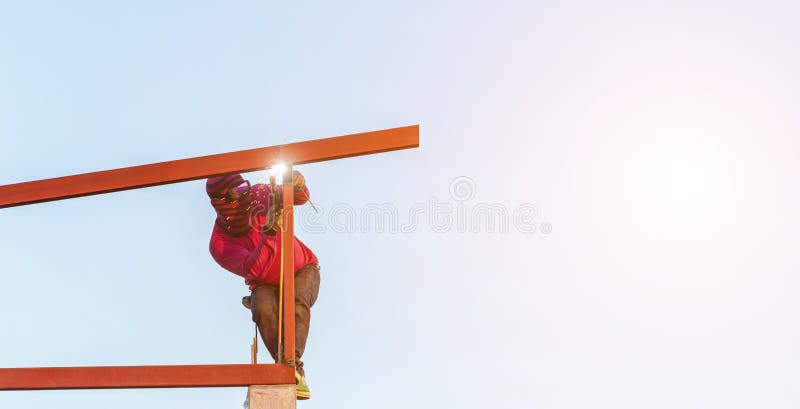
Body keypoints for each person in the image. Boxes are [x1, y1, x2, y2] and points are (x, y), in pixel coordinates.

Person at [206, 171, 319, 400]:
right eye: (237, 192)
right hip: (264, 282)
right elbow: (254, 269)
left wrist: (296, 186)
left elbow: (299, 197)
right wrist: (269, 232)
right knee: (263, 307)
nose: (246, 193)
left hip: (302, 268)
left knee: (296, 299)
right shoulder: (220, 243)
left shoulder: (260, 193)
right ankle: (288, 370)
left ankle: (292, 367)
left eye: (245, 186)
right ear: (221, 201)